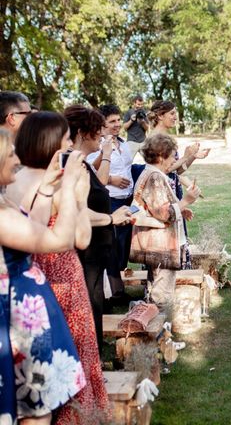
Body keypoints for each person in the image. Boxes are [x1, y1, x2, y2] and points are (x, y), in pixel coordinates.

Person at [7, 112, 110, 423]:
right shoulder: (61, 182)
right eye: (66, 140)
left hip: (21, 289)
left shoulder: (12, 182)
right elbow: (80, 238)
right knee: (75, 358)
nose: (70, 146)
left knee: (31, 369)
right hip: (62, 281)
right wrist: (76, 197)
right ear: (52, 144)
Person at [0, 129, 88, 423]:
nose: (17, 159)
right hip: (15, 320)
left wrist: (49, 187)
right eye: (11, 153)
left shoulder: (4, 203)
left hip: (27, 312)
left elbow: (32, 231)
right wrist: (72, 188)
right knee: (35, 411)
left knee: (33, 406)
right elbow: (58, 240)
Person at [63, 105, 132, 352]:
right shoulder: (72, 164)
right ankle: (93, 358)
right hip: (87, 251)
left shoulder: (82, 162)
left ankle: (96, 356)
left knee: (96, 302)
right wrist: (111, 219)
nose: (102, 136)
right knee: (90, 304)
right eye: (97, 131)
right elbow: (75, 212)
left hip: (96, 250)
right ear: (82, 133)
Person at [130, 134, 201, 308]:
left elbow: (155, 207)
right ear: (161, 156)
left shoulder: (153, 173)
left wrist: (181, 210)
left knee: (156, 286)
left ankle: (146, 315)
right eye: (172, 156)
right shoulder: (154, 177)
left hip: (156, 243)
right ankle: (155, 326)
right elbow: (164, 214)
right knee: (161, 294)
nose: (174, 160)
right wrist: (186, 201)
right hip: (160, 245)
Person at [147, 100, 210, 269]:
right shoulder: (154, 138)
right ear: (160, 116)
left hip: (174, 190)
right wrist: (185, 156)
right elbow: (162, 170)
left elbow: (177, 171)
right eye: (172, 113)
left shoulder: (168, 137)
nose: (176, 117)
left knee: (178, 235)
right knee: (166, 236)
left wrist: (193, 157)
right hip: (161, 191)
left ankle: (179, 276)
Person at [88, 104, 134, 302]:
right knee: (112, 246)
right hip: (110, 200)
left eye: (118, 120)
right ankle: (115, 291)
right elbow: (92, 172)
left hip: (128, 199)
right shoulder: (96, 146)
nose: (117, 125)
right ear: (102, 125)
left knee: (124, 245)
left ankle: (118, 283)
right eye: (112, 122)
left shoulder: (123, 144)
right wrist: (112, 179)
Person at [123, 94, 149, 159]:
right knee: (127, 161)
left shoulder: (144, 112)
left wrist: (143, 122)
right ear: (134, 103)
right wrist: (131, 120)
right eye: (138, 104)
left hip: (143, 141)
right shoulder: (129, 112)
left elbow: (147, 128)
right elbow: (125, 127)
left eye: (141, 104)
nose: (140, 106)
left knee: (149, 161)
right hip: (131, 141)